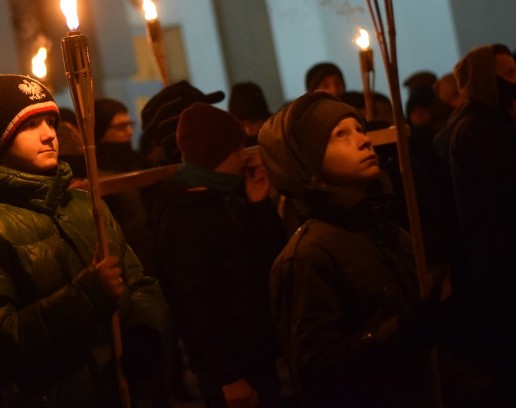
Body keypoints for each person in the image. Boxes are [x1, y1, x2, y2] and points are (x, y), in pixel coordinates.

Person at [0, 74, 169, 407]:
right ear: (0, 138)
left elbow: (138, 283)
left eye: (50, 121)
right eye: (31, 124)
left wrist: (144, 332)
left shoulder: (85, 205)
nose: (50, 134)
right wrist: (85, 298)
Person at [258, 92, 461, 407]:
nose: (363, 141)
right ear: (309, 161)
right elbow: (317, 371)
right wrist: (399, 331)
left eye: (360, 130)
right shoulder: (307, 255)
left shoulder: (387, 228)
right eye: (340, 135)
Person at [155, 103, 286, 407]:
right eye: (237, 149)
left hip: (257, 357)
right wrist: (228, 376)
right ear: (215, 153)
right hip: (233, 374)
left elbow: (268, 259)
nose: (244, 158)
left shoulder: (226, 198)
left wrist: (259, 206)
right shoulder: (184, 215)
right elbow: (192, 305)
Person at [437, 43, 516, 402]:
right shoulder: (476, 129)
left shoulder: (481, 124)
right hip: (502, 274)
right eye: (510, 75)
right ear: (488, 81)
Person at [94, 97, 155, 274]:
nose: (129, 132)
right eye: (120, 127)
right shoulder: (97, 172)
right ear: (101, 131)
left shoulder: (139, 161)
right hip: (127, 258)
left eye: (130, 124)